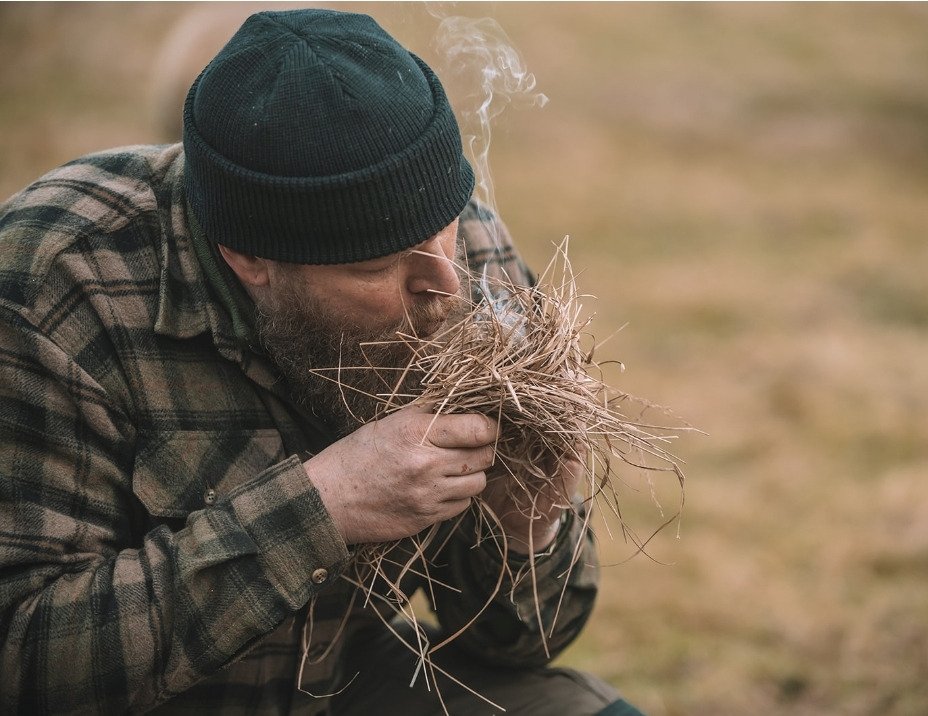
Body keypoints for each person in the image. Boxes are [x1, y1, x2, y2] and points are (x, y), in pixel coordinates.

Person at [0, 9, 642, 715]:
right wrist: (324, 508)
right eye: (375, 267)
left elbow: (516, 647)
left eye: (444, 228)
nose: (446, 284)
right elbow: (25, 662)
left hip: (333, 679)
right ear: (247, 259)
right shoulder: (56, 282)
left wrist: (529, 527)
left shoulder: (464, 258)